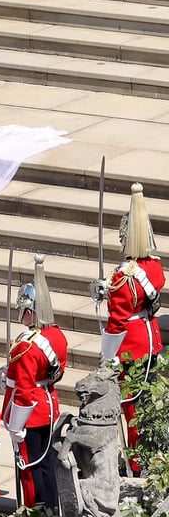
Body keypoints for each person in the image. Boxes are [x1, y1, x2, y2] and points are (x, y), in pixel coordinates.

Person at [100, 182, 165, 458]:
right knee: (149, 401)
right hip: (150, 338)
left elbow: (117, 320)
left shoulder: (122, 277)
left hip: (130, 345)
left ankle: (137, 461)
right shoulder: (154, 267)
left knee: (131, 408)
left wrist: (108, 356)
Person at [0, 253, 66, 510]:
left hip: (29, 412)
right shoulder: (57, 336)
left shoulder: (25, 345)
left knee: (30, 468)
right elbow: (55, 373)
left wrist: (16, 425)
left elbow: (25, 389)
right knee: (47, 463)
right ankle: (53, 509)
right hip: (48, 404)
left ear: (29, 311)